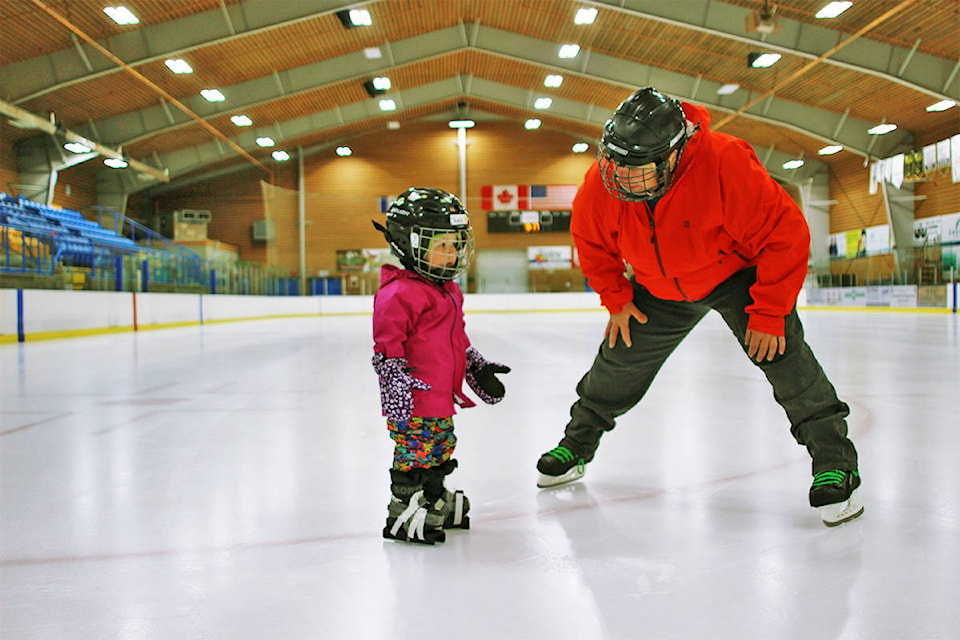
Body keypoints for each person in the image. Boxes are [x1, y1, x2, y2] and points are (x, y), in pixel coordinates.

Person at [535, 87, 862, 527]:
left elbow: (786, 235)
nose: (620, 179)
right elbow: (590, 242)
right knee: (618, 361)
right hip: (658, 287)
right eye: (614, 164)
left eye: (637, 170)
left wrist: (767, 312)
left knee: (785, 359)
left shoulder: (725, 162)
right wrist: (616, 298)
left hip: (735, 275)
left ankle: (834, 463)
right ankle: (575, 446)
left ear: (673, 155)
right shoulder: (606, 179)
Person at [372, 187, 510, 544]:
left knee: (440, 446)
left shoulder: (448, 291)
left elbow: (457, 340)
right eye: (441, 245)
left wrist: (475, 368)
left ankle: (432, 496)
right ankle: (403, 506)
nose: (452, 254)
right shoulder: (398, 294)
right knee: (413, 451)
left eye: (455, 244)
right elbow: (387, 348)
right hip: (414, 399)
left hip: (440, 397)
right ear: (409, 244)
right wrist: (396, 390)